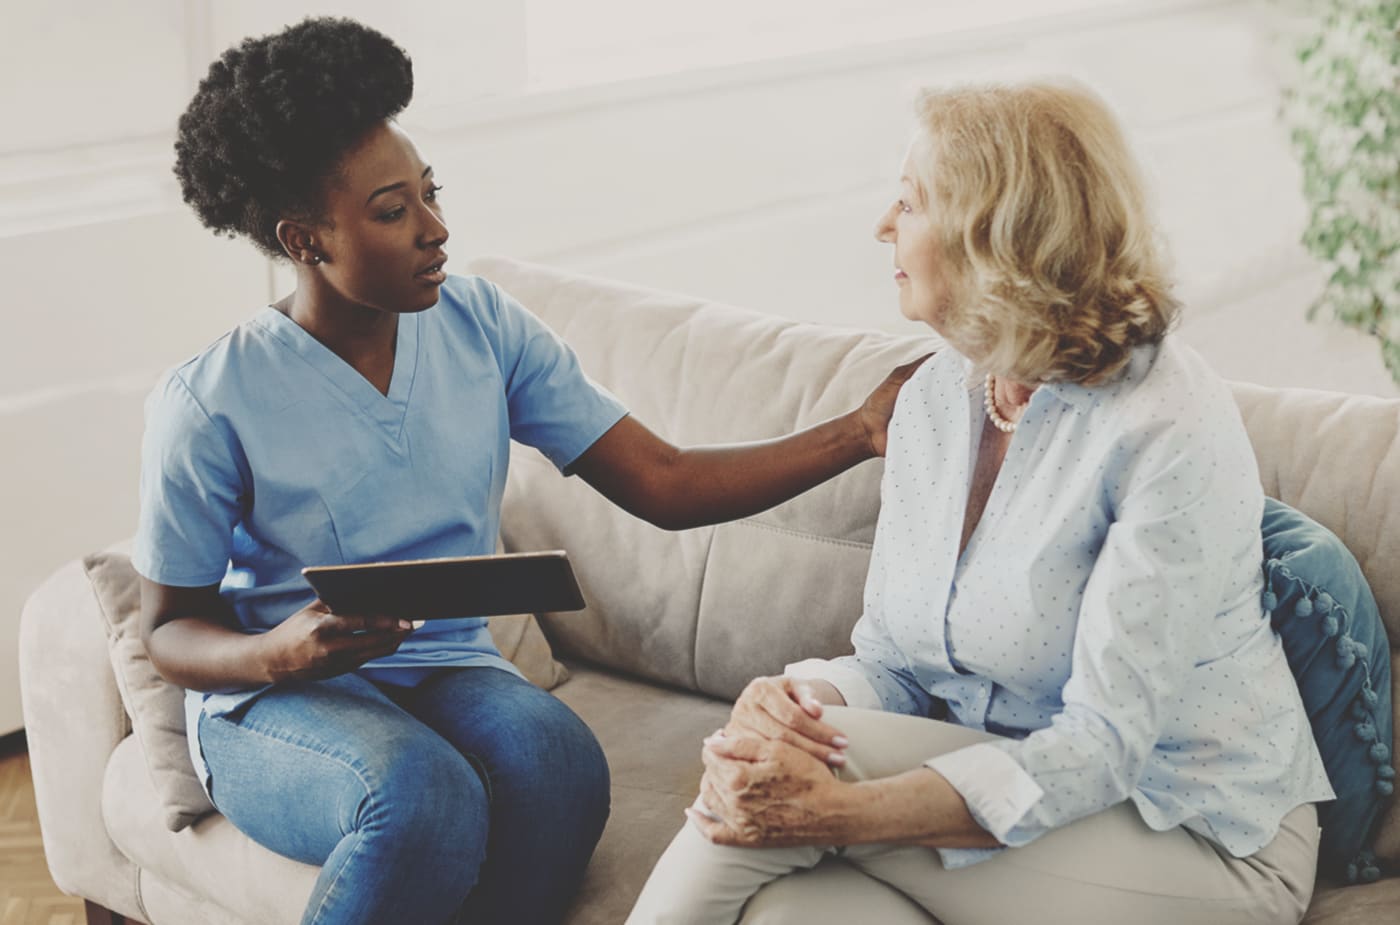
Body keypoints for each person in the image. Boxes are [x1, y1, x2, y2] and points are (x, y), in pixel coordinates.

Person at [135, 17, 920, 925]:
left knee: (560, 766)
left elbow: (662, 482)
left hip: (440, 663)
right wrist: (279, 650)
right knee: (421, 793)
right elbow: (170, 630)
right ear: (304, 241)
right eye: (394, 212)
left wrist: (859, 431)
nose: (437, 229)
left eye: (430, 194)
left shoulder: (484, 327)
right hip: (271, 699)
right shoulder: (210, 398)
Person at [627, 81, 1336, 925]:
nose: (883, 226)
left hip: (1198, 832)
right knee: (791, 908)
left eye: (910, 203)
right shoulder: (933, 399)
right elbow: (893, 659)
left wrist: (832, 810)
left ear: (992, 235)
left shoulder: (1165, 423)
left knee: (809, 770)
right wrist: (801, 694)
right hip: (1015, 808)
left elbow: (1105, 745)